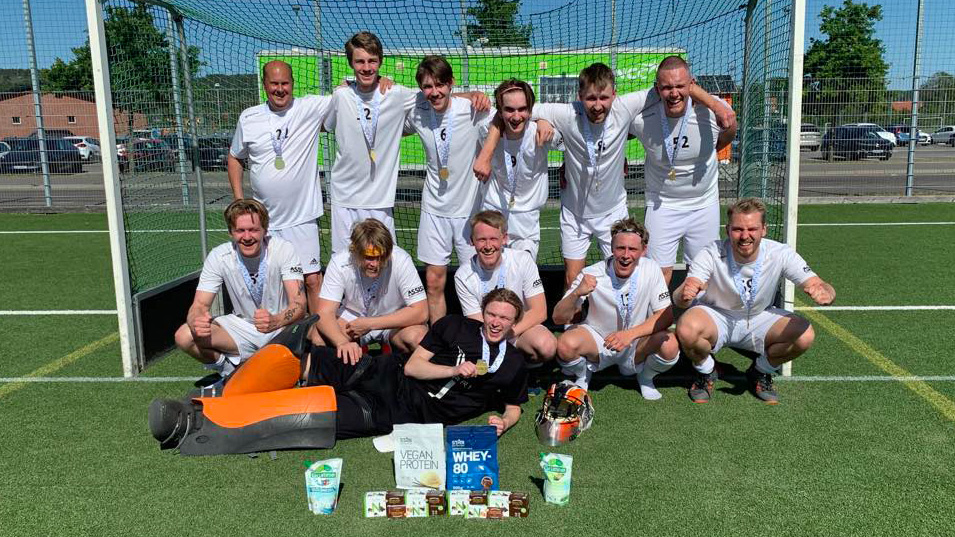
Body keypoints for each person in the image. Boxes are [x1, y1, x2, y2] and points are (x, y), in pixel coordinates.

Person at [484, 62, 735, 290]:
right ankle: (577, 321)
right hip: (575, 214)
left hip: (613, 212)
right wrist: (541, 121)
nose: (598, 105)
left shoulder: (624, 108)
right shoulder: (567, 113)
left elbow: (672, 87)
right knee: (572, 280)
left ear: (614, 95)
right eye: (591, 98)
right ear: (579, 97)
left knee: (623, 278)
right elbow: (515, 111)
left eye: (604, 97)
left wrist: (716, 106)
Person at [206, 288, 529, 440]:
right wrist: (453, 370)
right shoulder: (454, 325)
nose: (496, 322)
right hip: (382, 372)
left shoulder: (514, 363)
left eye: (505, 318)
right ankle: (225, 395)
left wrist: (504, 422)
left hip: (397, 412)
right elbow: (413, 367)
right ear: (483, 312)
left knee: (312, 417)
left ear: (514, 323)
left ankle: (220, 421)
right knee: (306, 361)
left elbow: (514, 407)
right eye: (492, 314)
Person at [674, 198, 836, 404]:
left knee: (805, 335)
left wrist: (826, 292)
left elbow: (818, 283)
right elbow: (682, 297)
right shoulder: (711, 252)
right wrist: (684, 294)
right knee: (687, 328)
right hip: (717, 316)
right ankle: (706, 371)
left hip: (759, 316)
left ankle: (760, 371)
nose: (745, 236)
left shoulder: (780, 252)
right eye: (738, 229)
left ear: (764, 230)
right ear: (727, 230)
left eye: (752, 229)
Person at [228, 60, 338, 313]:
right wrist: (239, 201)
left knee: (312, 280)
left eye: (285, 83)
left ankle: (319, 334)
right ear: (264, 84)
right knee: (271, 283)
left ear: (293, 84)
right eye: (274, 83)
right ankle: (273, 333)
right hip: (265, 221)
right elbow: (235, 157)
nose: (280, 89)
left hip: (302, 218)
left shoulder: (309, 107)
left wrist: (378, 82)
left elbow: (346, 95)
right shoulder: (249, 117)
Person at [629, 56, 737, 283]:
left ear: (692, 85)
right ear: (657, 89)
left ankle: (695, 309)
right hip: (663, 206)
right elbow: (610, 130)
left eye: (680, 86)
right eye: (667, 87)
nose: (674, 93)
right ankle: (657, 309)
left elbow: (730, 128)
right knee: (657, 276)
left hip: (703, 205)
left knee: (702, 275)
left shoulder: (713, 110)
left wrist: (714, 146)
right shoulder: (641, 119)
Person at [403, 55, 492, 324]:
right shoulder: (417, 111)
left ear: (451, 83)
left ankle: (480, 337)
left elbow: (502, 122)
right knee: (433, 281)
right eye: (427, 86)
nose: (434, 92)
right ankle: (438, 338)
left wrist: (485, 155)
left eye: (440, 85)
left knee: (477, 282)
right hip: (434, 209)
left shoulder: (472, 109)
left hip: (469, 211)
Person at [174, 199, 306, 377]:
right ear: (230, 232)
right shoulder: (219, 256)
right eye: (240, 230)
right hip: (242, 328)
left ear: (265, 230)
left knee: (306, 370)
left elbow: (299, 303)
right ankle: (229, 372)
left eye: (253, 230)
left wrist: (276, 320)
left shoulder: (284, 250)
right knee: (184, 336)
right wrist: (195, 320)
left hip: (281, 327)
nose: (247, 237)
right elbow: (199, 305)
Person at [552, 217, 679, 399]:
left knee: (670, 344)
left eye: (632, 249)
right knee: (565, 345)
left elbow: (666, 316)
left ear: (643, 250)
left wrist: (630, 335)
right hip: (598, 341)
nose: (626, 255)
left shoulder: (651, 269)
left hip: (635, 343)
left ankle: (645, 377)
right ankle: (582, 375)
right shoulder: (591, 273)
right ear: (612, 248)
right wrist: (576, 293)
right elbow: (558, 318)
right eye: (620, 248)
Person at [323, 32, 415, 254]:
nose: (366, 68)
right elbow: (326, 124)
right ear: (351, 63)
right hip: (344, 197)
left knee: (384, 259)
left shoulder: (396, 94)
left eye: (372, 61)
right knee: (344, 261)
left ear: (380, 62)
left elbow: (437, 98)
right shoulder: (341, 96)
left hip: (379, 199)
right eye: (360, 61)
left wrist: (472, 95)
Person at [315, 218, 428, 364]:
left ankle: (402, 370)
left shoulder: (401, 259)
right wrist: (342, 342)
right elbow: (324, 313)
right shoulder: (340, 261)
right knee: (318, 337)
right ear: (355, 251)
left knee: (419, 338)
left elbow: (421, 312)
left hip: (393, 319)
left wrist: (370, 323)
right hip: (352, 317)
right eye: (369, 258)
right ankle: (343, 374)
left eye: (381, 257)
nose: (375, 264)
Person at [472, 79, 561, 260]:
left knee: (523, 272)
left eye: (522, 109)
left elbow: (574, 143)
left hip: (527, 219)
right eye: (509, 109)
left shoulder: (542, 132)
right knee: (490, 272)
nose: (516, 116)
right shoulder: (485, 130)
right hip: (492, 211)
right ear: (500, 111)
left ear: (530, 110)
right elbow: (449, 100)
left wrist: (542, 119)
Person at [454, 210, 556, 363]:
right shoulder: (463, 275)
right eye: (481, 239)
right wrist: (495, 337)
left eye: (493, 239)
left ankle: (526, 364)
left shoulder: (523, 260)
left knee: (546, 346)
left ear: (504, 239)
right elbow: (477, 323)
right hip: (488, 333)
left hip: (520, 329)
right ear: (472, 241)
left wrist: (508, 333)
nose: (488, 246)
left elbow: (539, 311)